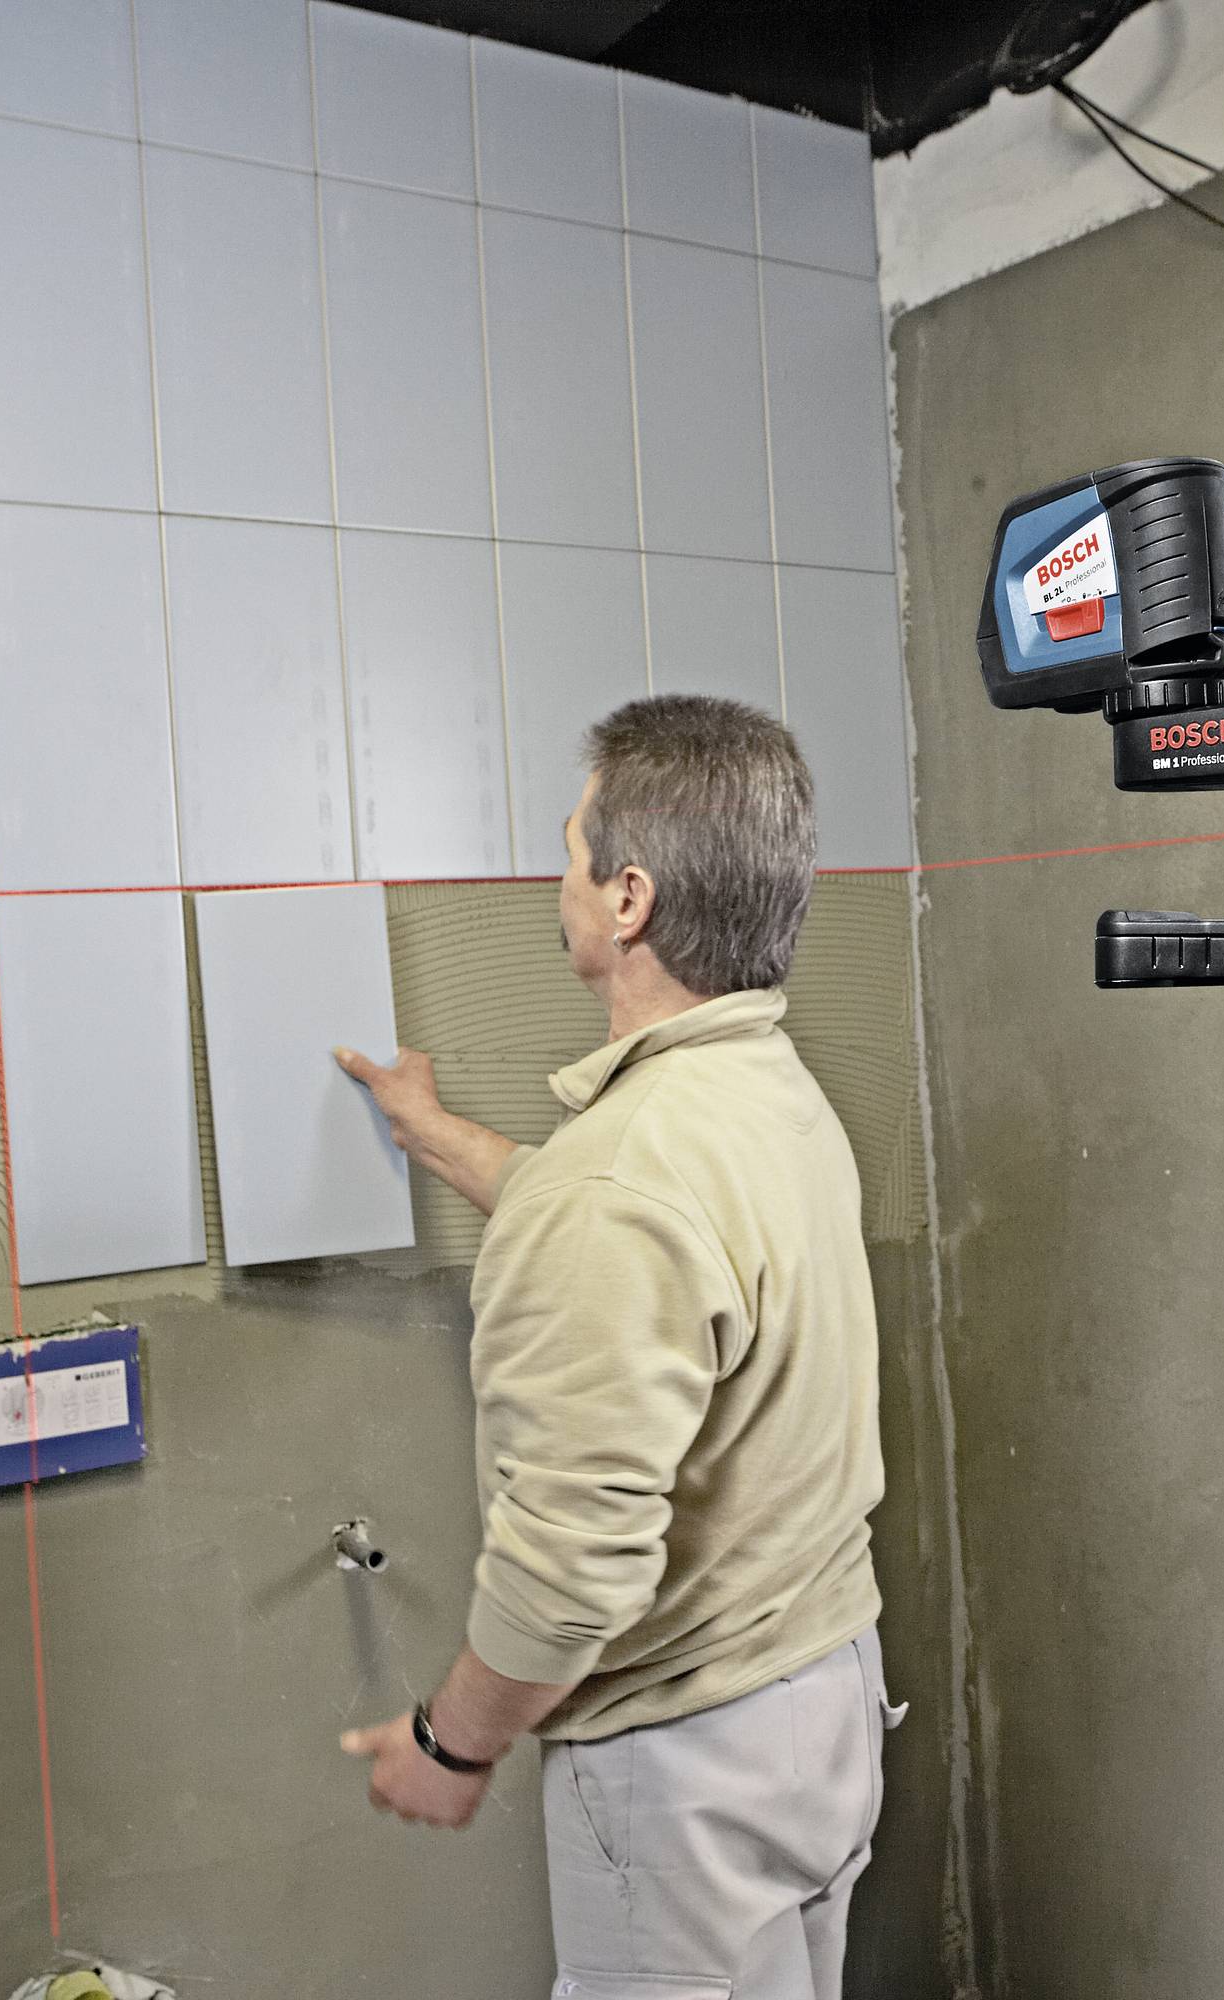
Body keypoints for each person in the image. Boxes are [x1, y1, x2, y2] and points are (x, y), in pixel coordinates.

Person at [334, 694, 898, 2000]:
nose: (561, 871)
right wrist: (434, 1134)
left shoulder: (620, 1180)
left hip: (689, 1759)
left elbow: (572, 1571)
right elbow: (633, 1242)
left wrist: (451, 1745)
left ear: (627, 898)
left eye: (573, 843)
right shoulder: (765, 1092)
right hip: (821, 1695)